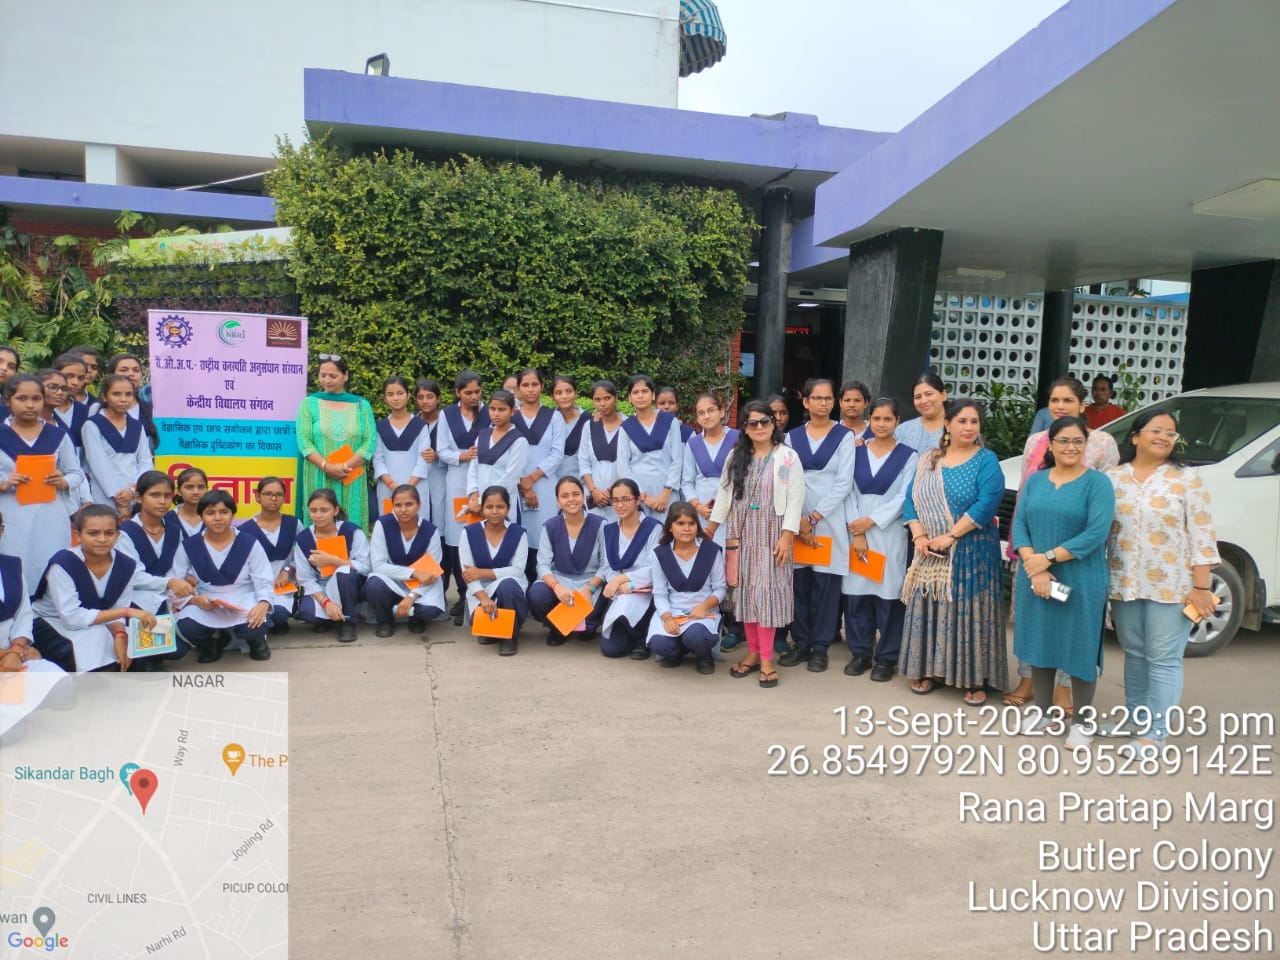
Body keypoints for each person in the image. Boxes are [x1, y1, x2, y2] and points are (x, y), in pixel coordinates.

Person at [1103, 410, 1219, 756]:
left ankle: (1155, 734)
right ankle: (1136, 721)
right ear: (1136, 436)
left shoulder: (1186, 480)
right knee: (1135, 654)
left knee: (1164, 659)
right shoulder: (1113, 478)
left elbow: (1202, 537)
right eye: (1156, 430)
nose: (1164, 437)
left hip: (1173, 587)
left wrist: (1200, 588)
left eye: (1171, 433)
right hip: (1125, 583)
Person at [1004, 376, 1120, 710]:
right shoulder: (1036, 442)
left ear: (1082, 405)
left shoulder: (1101, 444)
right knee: (1036, 621)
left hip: (1075, 557)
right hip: (1034, 552)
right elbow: (1026, 502)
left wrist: (1049, 558)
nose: (1060, 406)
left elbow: (1099, 516)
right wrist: (1031, 560)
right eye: (1054, 400)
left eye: (1067, 400)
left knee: (1073, 628)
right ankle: (1030, 685)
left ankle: (1065, 691)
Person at [900, 398, 1007, 704]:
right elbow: (912, 498)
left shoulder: (986, 460)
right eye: (962, 421)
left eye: (974, 422)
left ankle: (974, 677)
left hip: (972, 550)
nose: (969, 428)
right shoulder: (929, 459)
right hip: (929, 549)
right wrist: (919, 535)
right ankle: (929, 669)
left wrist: (951, 535)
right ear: (947, 424)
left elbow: (987, 503)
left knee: (968, 608)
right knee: (933, 606)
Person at [705, 400, 805, 688]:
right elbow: (724, 496)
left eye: (765, 422)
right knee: (746, 594)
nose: (759, 427)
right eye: (753, 423)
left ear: (774, 424)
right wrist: (711, 528)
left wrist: (788, 536)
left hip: (774, 534)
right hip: (741, 532)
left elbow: (796, 498)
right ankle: (752, 653)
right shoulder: (736, 456)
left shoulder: (787, 457)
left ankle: (766, 658)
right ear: (745, 428)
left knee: (768, 596)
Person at [30, 504, 174, 672]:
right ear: (78, 535)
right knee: (95, 640)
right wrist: (124, 613)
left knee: (140, 639)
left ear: (117, 535)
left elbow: (117, 607)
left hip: (99, 617)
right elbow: (72, 618)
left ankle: (133, 665)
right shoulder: (63, 564)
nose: (102, 539)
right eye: (93, 533)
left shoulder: (126, 565)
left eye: (109, 533)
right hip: (53, 621)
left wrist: (120, 634)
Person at [779, 378, 854, 673]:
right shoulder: (791, 438)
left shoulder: (844, 436)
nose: (823, 403)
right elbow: (785, 480)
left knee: (825, 587)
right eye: (817, 398)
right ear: (806, 402)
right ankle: (801, 643)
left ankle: (820, 647)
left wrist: (813, 518)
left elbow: (844, 482)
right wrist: (799, 519)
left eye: (828, 398)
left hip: (828, 521)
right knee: (799, 585)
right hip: (796, 522)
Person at [841, 397, 918, 682]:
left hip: (889, 534)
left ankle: (886, 657)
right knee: (857, 595)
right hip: (857, 535)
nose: (882, 424)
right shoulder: (855, 452)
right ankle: (860, 652)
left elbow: (904, 496)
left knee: (888, 595)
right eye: (877, 419)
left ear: (897, 422)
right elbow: (846, 491)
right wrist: (858, 531)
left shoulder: (909, 456)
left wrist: (871, 522)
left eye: (888, 419)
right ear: (869, 420)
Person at [0, 375, 83, 592]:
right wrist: (4, 483)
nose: (30, 404)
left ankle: (49, 615)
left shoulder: (57, 436)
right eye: (22, 398)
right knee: (15, 564)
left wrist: (63, 481)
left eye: (36, 398)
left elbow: (76, 473)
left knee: (51, 562)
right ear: (8, 400)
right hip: (11, 514)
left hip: (51, 514)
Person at [172, 490, 276, 663]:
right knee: (187, 625)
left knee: (257, 622)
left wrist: (264, 603)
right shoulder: (189, 546)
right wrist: (193, 600)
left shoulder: (249, 543)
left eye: (224, 512)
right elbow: (176, 581)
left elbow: (263, 579)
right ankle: (209, 645)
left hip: (243, 597)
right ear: (201, 516)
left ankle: (257, 642)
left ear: (233, 514)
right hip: (206, 600)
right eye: (210, 513)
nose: (218, 518)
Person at [116, 470, 193, 667]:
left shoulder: (174, 531)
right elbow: (132, 577)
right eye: (155, 495)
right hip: (133, 598)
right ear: (139, 497)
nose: (162, 501)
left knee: (179, 650)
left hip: (165, 596)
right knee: (155, 650)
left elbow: (180, 567)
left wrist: (185, 583)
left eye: (167, 496)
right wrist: (169, 583)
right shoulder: (125, 533)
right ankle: (142, 659)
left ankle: (147, 654)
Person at [296, 354, 377, 530]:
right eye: (322, 375)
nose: (327, 380)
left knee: (351, 525)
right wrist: (327, 466)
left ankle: (351, 557)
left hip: (351, 476)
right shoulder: (309, 404)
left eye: (333, 376)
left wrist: (344, 467)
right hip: (319, 476)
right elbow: (304, 441)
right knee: (320, 521)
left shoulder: (362, 405)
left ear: (345, 375)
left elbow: (370, 441)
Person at [647, 501, 725, 674]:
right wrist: (667, 618)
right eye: (680, 523)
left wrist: (704, 606)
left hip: (703, 613)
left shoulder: (711, 550)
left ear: (697, 526)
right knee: (659, 644)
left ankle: (703, 655)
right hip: (673, 612)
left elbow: (720, 588)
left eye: (691, 523)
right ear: (670, 527)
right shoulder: (659, 553)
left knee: (697, 637)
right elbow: (659, 594)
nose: (686, 528)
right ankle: (677, 651)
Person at [526, 476, 605, 645]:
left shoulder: (600, 525)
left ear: (583, 496)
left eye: (576, 494)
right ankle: (558, 629)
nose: (571, 500)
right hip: (560, 579)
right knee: (536, 594)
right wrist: (556, 587)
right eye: (565, 496)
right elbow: (543, 565)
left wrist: (589, 588)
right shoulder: (550, 526)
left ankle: (588, 626)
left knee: (595, 612)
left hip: (590, 583)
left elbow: (606, 564)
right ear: (557, 500)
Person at [437, 369, 489, 620]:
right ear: (458, 393)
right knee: (458, 539)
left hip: (485, 480)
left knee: (484, 535)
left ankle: (483, 593)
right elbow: (441, 450)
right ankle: (462, 594)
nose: (473, 397)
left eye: (477, 392)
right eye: (468, 392)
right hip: (457, 481)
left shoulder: (491, 412)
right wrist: (462, 456)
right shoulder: (447, 415)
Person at [366, 484, 445, 636]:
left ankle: (416, 618)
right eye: (398, 505)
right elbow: (378, 565)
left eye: (409, 504)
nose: (403, 509)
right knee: (375, 586)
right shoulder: (383, 524)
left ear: (419, 505)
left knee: (429, 611)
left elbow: (432, 573)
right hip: (392, 580)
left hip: (421, 586)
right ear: (392, 506)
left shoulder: (430, 531)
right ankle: (385, 620)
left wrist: (411, 596)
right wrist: (413, 572)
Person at [459, 485, 530, 656]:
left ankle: (510, 637)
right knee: (485, 628)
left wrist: (482, 572)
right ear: (482, 509)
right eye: (489, 507)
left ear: (508, 508)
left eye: (500, 507)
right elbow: (468, 573)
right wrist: (483, 597)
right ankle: (493, 630)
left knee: (508, 585)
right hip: (480, 593)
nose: (494, 511)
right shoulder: (469, 533)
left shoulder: (518, 533)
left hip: (510, 590)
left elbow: (518, 570)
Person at [293, 487, 369, 643]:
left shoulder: (352, 532)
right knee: (308, 613)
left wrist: (333, 561)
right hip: (321, 587)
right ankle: (330, 617)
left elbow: (366, 567)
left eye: (324, 510)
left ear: (335, 510)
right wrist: (325, 602)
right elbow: (305, 579)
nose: (318, 515)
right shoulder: (304, 538)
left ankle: (348, 622)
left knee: (344, 572)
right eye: (313, 510)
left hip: (349, 584)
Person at [598, 478, 661, 659]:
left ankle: (643, 637)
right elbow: (607, 566)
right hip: (620, 592)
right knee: (611, 650)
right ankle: (633, 635)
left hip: (645, 591)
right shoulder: (609, 530)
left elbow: (654, 568)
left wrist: (622, 579)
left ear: (638, 500)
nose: (620, 505)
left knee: (632, 606)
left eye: (626, 499)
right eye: (615, 500)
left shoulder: (653, 528)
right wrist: (616, 583)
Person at [513, 368, 566, 582]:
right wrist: (522, 485)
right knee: (518, 535)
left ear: (542, 387)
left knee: (544, 535)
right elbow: (502, 452)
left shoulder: (554, 417)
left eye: (535, 384)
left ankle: (542, 586)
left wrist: (531, 480)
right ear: (518, 389)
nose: (530, 389)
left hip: (544, 485)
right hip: (514, 486)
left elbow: (557, 453)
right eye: (525, 385)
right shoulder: (510, 415)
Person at [81, 374, 153, 514]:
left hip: (134, 495)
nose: (123, 399)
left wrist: (132, 491)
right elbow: (99, 465)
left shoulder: (136, 426)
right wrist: (118, 498)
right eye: (116, 394)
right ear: (104, 396)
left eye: (128, 394)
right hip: (104, 496)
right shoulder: (92, 425)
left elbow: (145, 462)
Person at [618, 374, 683, 521]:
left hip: (668, 494)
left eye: (645, 391)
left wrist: (667, 492)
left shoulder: (670, 421)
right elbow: (623, 466)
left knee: (670, 536)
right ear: (629, 397)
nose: (640, 396)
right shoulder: (626, 427)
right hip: (639, 496)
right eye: (635, 392)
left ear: (653, 395)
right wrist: (643, 496)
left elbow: (677, 459)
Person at [240, 477, 300, 635]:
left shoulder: (293, 524)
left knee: (279, 613)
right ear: (257, 497)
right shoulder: (245, 530)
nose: (273, 499)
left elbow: (303, 555)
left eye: (278, 495)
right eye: (268, 494)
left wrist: (288, 569)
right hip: (255, 587)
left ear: (284, 498)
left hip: (282, 586)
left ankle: (273, 622)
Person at [466, 389, 528, 522]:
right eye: (492, 409)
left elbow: (511, 477)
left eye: (502, 409)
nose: (496, 414)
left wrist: (484, 501)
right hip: (479, 504)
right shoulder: (482, 435)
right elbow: (473, 469)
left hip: (504, 503)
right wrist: (474, 496)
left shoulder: (518, 440)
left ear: (512, 411)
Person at [373, 375, 430, 520]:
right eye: (390, 394)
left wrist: (408, 488)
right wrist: (393, 486)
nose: (396, 398)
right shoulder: (380, 427)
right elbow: (378, 460)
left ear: (408, 395)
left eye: (400, 393)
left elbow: (423, 460)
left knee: (418, 527)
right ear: (385, 398)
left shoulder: (420, 426)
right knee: (389, 526)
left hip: (416, 487)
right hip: (388, 488)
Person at [0, 544, 53, 676]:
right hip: (8, 655)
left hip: (13, 654)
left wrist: (17, 649)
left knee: (56, 680)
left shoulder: (11, 568)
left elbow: (23, 615)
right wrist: (10, 654)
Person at [580, 379, 627, 520]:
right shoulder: (589, 426)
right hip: (593, 496)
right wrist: (593, 491)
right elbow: (583, 462)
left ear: (616, 398)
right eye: (597, 399)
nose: (602, 403)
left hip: (620, 494)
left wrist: (610, 491)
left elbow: (629, 463)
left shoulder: (628, 426)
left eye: (607, 398)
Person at [103, 353, 159, 450]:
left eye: (136, 370)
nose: (131, 374)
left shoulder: (151, 409)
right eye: (124, 370)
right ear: (112, 375)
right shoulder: (99, 409)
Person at [415, 378, 449, 530]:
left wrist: (438, 456)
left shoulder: (447, 421)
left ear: (438, 398)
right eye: (421, 397)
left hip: (441, 476)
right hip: (418, 477)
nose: (425, 401)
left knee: (440, 516)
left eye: (430, 397)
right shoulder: (413, 422)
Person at [895, 372, 949, 454]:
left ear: (943, 395)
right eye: (918, 397)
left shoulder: (958, 428)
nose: (923, 401)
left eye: (929, 394)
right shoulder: (902, 430)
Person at [50, 353, 91, 452]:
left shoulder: (86, 411)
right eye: (69, 376)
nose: (75, 382)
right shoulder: (43, 411)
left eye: (80, 378)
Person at [551, 375, 588, 482]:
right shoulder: (547, 421)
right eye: (558, 393)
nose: (564, 396)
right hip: (552, 485)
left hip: (581, 485)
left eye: (569, 391)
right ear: (552, 397)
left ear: (576, 393)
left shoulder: (589, 420)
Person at [172, 466, 208, 536]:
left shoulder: (216, 518)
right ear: (179, 491)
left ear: (207, 489)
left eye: (201, 487)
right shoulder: (166, 519)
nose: (196, 492)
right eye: (189, 487)